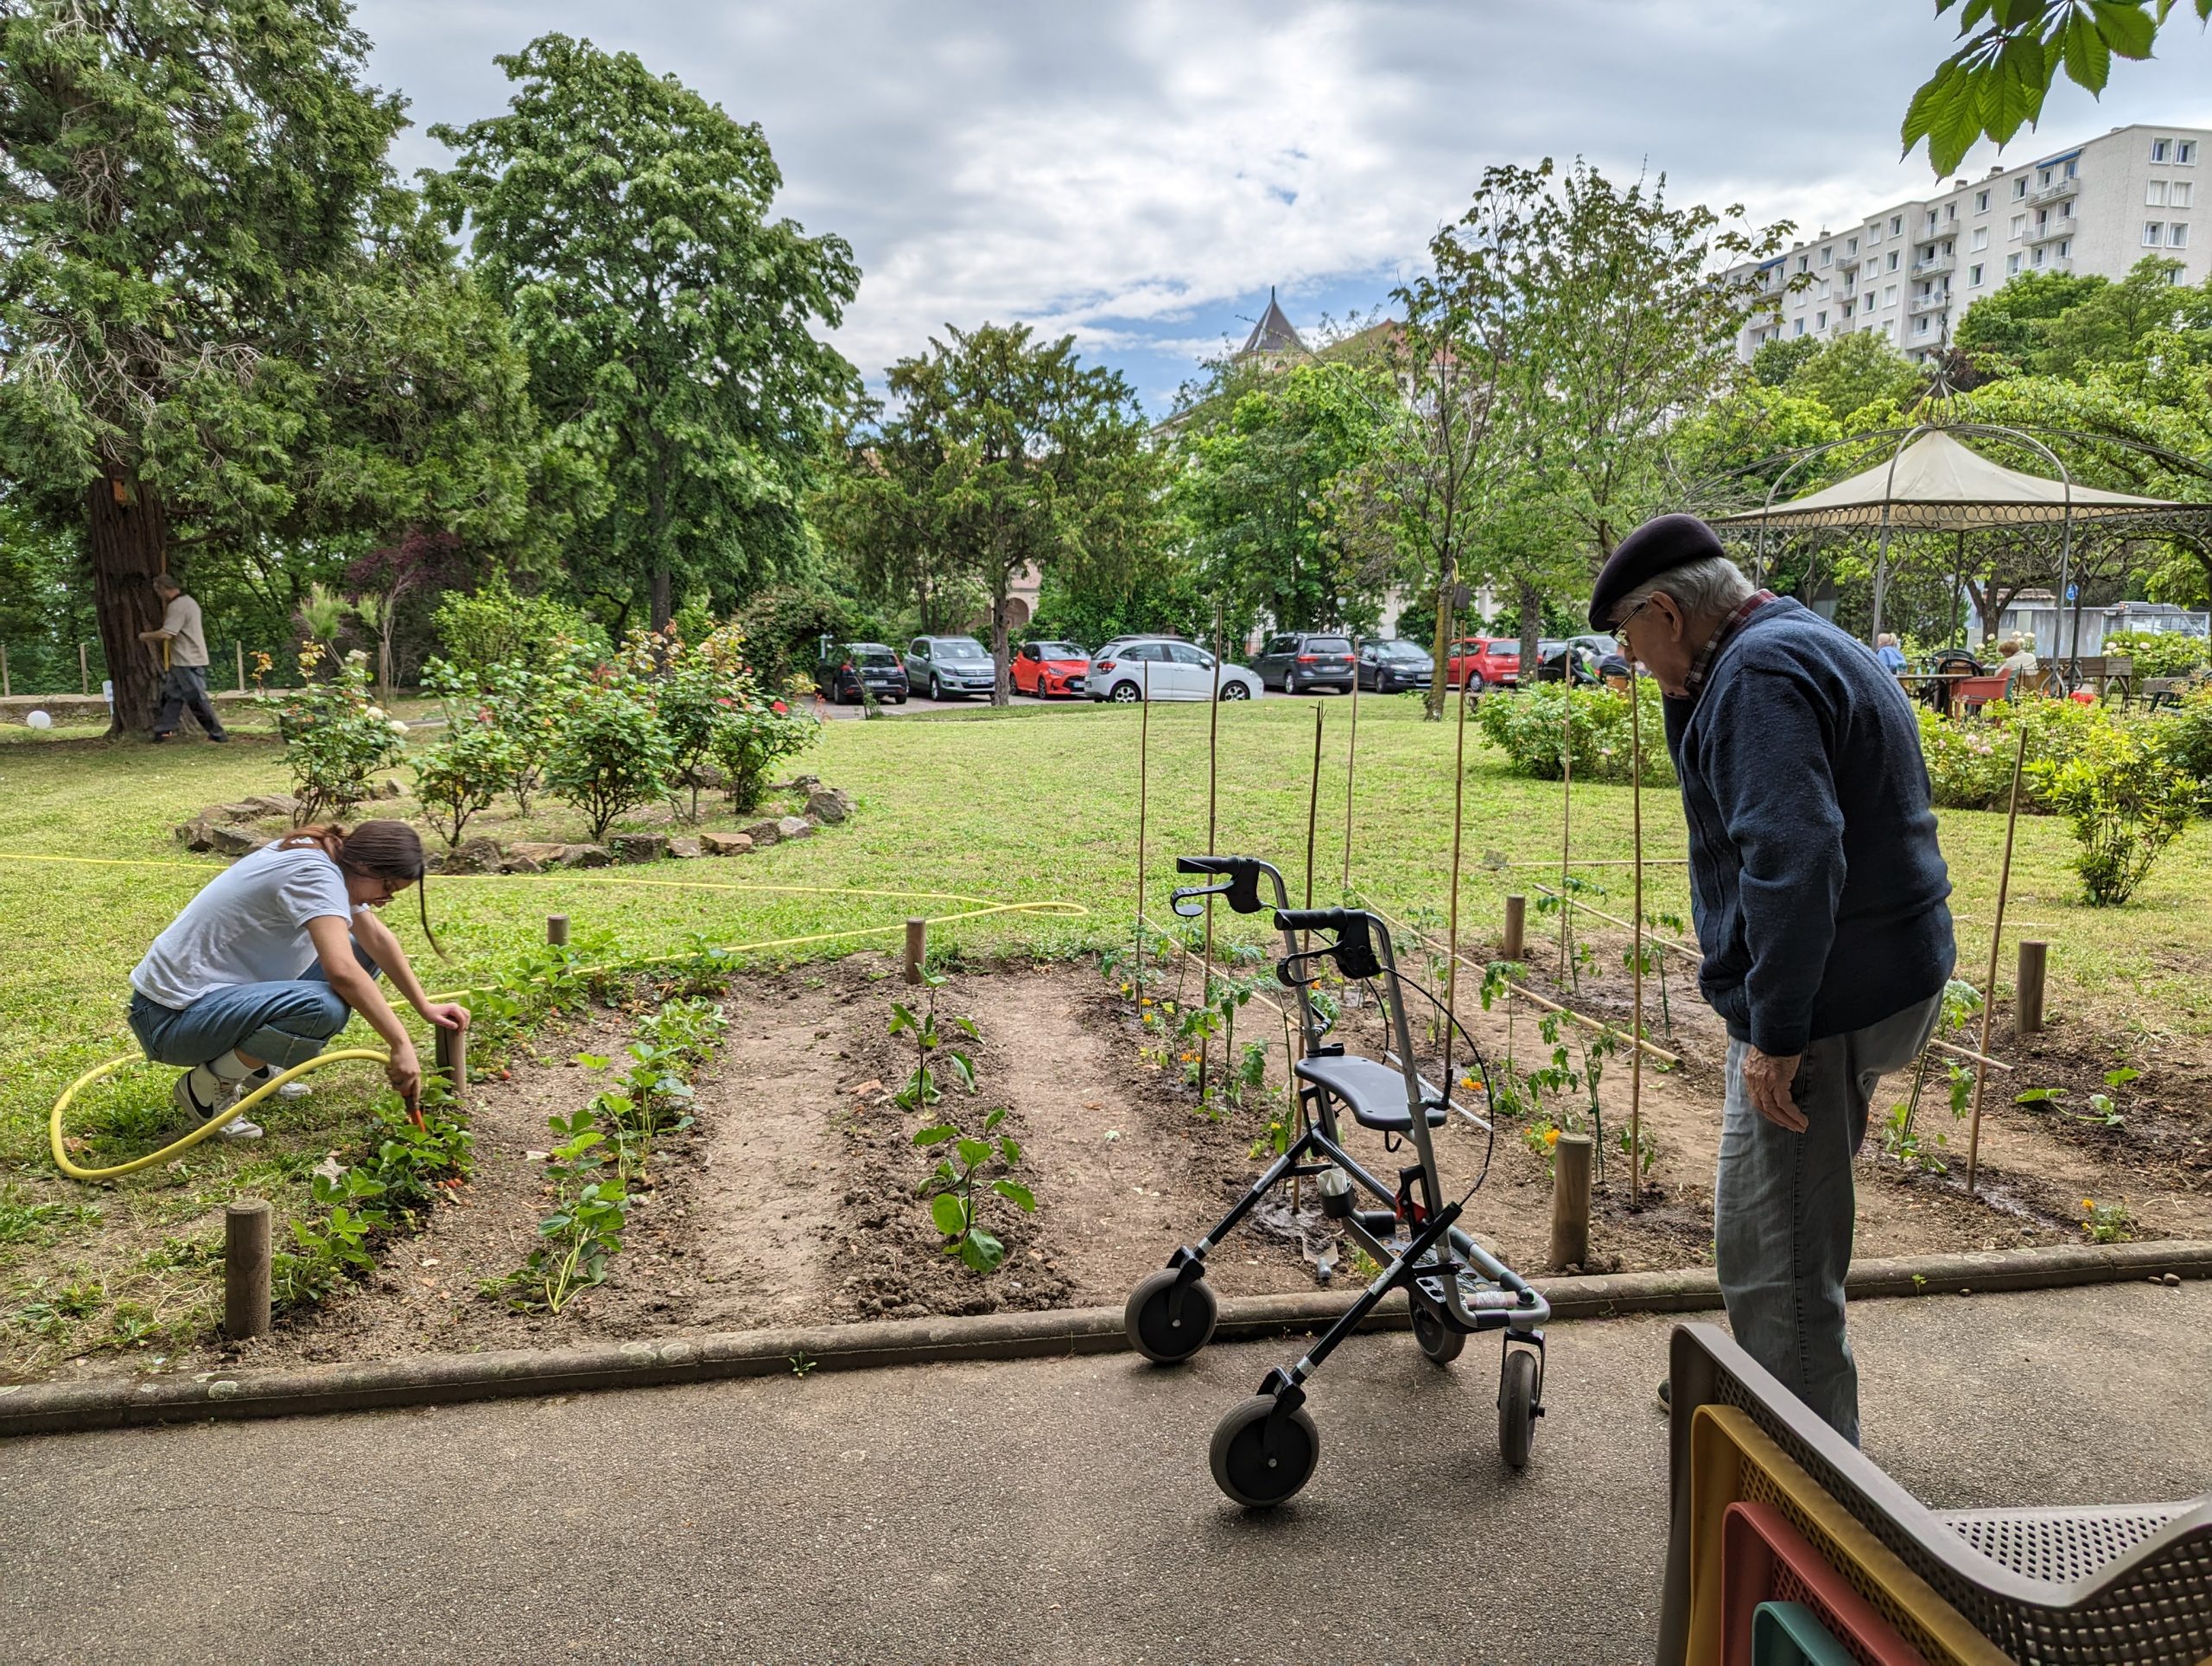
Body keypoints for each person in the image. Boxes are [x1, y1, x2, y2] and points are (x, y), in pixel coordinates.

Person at [1591, 514, 1955, 1445]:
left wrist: (1775, 1031)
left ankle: (1813, 1495)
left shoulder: (1754, 675)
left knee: (1775, 1256)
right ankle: (1768, 1383)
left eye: (1631, 640)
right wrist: (1686, 689)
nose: (1633, 663)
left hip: (1820, 1002)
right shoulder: (1791, 639)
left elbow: (1793, 856)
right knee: (1786, 1224)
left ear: (1667, 612)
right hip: (1885, 975)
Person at [128, 822, 467, 1139]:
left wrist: (424, 1006)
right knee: (323, 1006)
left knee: (360, 952)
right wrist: (400, 1044)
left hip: (212, 1002)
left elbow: (376, 940)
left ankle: (255, 1067)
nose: (382, 901)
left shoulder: (329, 857)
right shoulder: (314, 873)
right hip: (170, 1019)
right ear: (365, 864)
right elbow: (342, 973)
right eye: (387, 888)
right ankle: (207, 1086)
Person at [138, 575, 230, 744]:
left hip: (188, 660)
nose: (158, 595)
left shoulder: (178, 606)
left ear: (163, 589)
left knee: (197, 699)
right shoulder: (189, 602)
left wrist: (145, 636)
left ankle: (218, 734)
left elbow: (168, 633)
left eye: (157, 590)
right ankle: (163, 733)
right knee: (172, 696)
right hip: (180, 660)